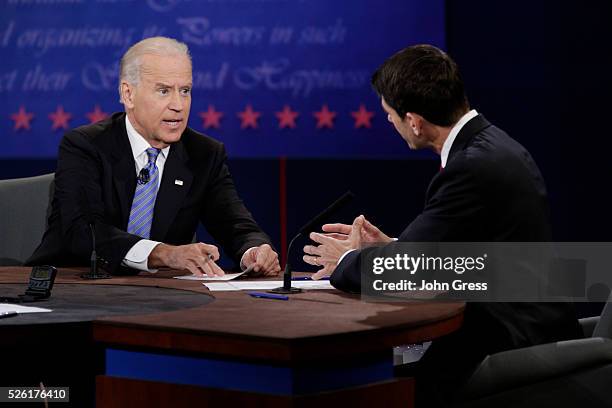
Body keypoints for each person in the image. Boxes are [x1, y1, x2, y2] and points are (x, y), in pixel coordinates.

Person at [302, 45, 581, 406]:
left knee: (381, 381)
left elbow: (402, 273)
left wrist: (348, 260)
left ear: (415, 121)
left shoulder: (471, 167)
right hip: (528, 322)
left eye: (390, 114)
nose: (389, 121)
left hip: (512, 335)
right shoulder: (494, 144)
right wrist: (390, 247)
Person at [27, 36, 280, 277]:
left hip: (158, 294)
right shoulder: (85, 146)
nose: (178, 105)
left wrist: (253, 251)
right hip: (71, 285)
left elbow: (234, 223)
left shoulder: (204, 154)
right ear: (128, 94)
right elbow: (83, 231)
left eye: (185, 90)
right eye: (163, 91)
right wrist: (162, 253)